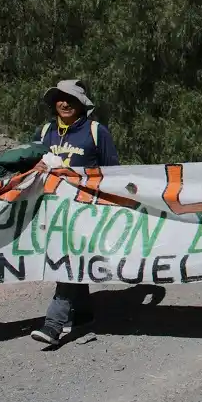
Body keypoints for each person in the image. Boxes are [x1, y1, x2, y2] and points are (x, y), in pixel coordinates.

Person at [30, 80, 119, 346]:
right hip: (50, 211)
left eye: (71, 98)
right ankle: (83, 316)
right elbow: (28, 162)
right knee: (73, 262)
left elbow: (112, 171)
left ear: (81, 104)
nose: (65, 103)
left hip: (85, 211)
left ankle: (53, 324)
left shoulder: (95, 132)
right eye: (60, 98)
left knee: (68, 261)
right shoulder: (44, 132)